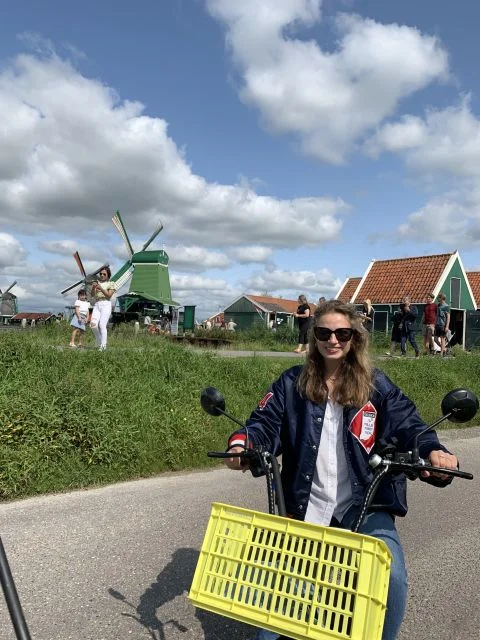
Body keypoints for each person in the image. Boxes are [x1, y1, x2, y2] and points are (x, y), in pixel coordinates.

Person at [224, 299, 459, 640]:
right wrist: (242, 445)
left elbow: (408, 423)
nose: (332, 340)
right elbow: (264, 423)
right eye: (324, 332)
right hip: (305, 507)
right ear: (314, 336)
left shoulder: (376, 385)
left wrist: (433, 451)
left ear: (354, 338)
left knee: (390, 576)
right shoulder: (291, 383)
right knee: (275, 611)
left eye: (342, 333)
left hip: (364, 505)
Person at [89, 266, 116, 351]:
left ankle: (103, 346)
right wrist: (94, 287)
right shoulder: (97, 283)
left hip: (106, 304)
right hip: (97, 304)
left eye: (104, 274)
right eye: (100, 274)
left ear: (108, 275)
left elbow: (109, 295)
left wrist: (100, 288)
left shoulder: (111, 283)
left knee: (102, 325)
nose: (102, 275)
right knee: (93, 325)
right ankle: (98, 339)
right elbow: (92, 295)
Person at [434, 293, 450, 357]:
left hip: (443, 325)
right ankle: (444, 349)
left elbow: (448, 317)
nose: (437, 298)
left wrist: (447, 326)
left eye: (438, 297)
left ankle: (441, 354)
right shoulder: (438, 305)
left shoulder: (446, 306)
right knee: (435, 339)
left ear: (441, 298)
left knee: (442, 339)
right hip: (437, 324)